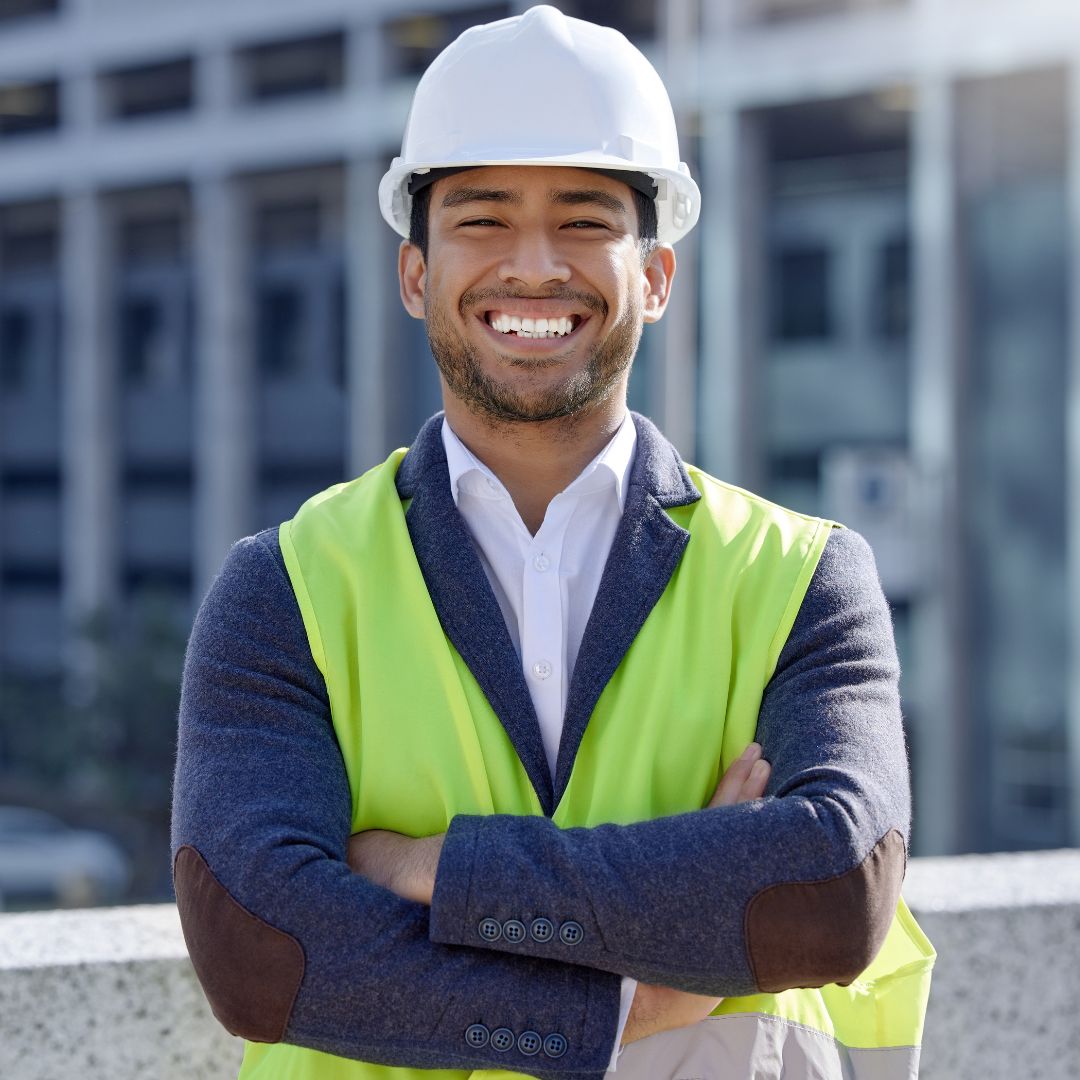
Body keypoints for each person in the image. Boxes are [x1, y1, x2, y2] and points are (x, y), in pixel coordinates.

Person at [171, 7, 934, 1079]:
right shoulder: (287, 589)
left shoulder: (802, 580)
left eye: (584, 220)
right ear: (415, 275)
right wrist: (638, 996)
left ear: (655, 277)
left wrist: (436, 869)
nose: (534, 267)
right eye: (483, 218)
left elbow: (833, 892)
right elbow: (262, 952)